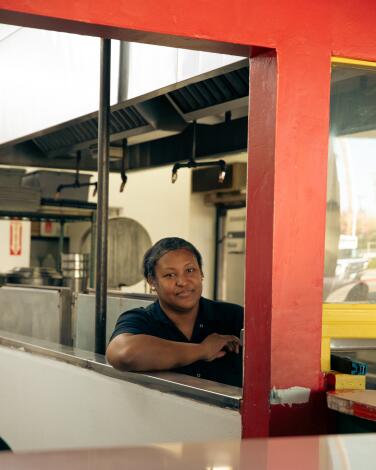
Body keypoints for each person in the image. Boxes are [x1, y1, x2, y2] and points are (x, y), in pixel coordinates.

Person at [106, 237, 244, 387]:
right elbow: (124, 354)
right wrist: (202, 350)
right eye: (170, 275)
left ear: (201, 273)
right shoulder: (141, 320)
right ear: (152, 282)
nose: (183, 282)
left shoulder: (235, 317)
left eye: (190, 270)